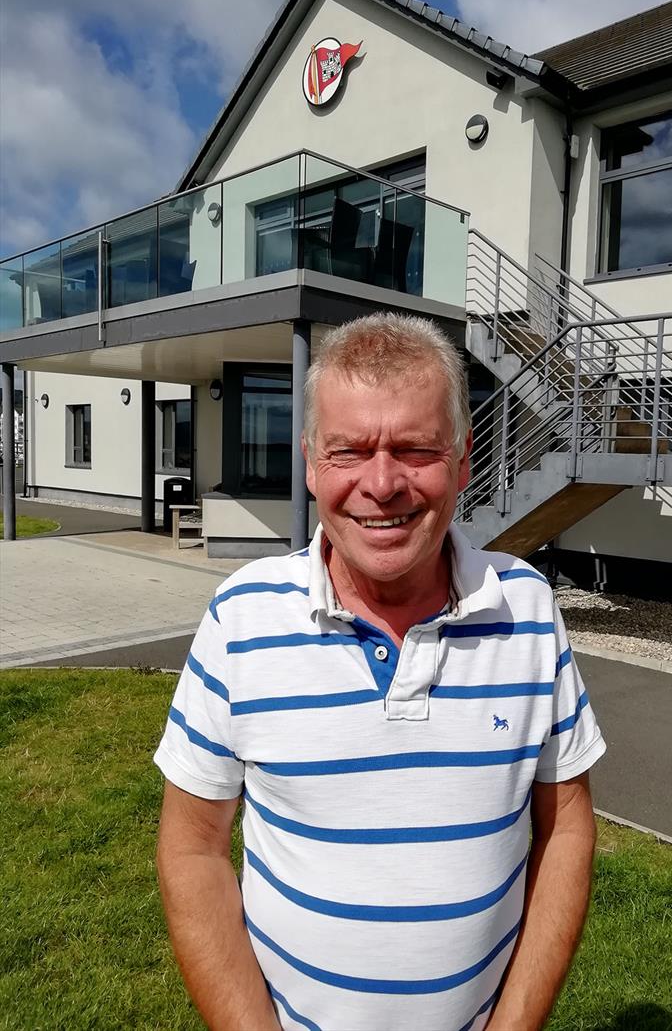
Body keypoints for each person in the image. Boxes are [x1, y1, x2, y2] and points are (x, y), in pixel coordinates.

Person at [154, 312, 606, 1031]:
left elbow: (568, 831)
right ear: (309, 462)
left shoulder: (528, 610)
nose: (383, 482)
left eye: (415, 448)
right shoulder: (240, 619)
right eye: (350, 450)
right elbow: (192, 847)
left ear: (461, 463)